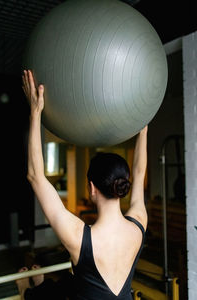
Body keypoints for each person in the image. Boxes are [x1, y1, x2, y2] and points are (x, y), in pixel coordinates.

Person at [16, 69, 148, 300]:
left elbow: (35, 176)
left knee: (48, 292)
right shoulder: (138, 225)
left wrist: (35, 113)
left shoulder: (80, 238)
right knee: (68, 284)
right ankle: (37, 288)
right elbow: (140, 170)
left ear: (92, 188)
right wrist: (143, 128)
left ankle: (28, 291)